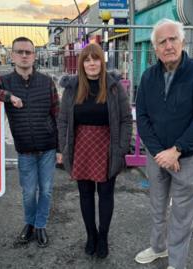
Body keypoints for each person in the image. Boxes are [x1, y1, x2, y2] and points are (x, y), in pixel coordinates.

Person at [134, 19, 193, 269]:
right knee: (157, 206)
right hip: (158, 156)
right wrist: (160, 153)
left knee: (182, 213)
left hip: (188, 157)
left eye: (173, 39)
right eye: (162, 41)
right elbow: (143, 116)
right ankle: (158, 248)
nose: (168, 45)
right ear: (155, 49)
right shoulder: (148, 77)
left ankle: (177, 263)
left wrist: (177, 150)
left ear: (182, 42)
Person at [0, 36, 59, 248]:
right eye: (20, 52)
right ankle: (29, 224)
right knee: (28, 192)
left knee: (45, 190)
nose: (25, 56)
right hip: (25, 150)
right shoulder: (4, 82)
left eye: (28, 52)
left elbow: (58, 115)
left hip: (47, 148)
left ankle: (40, 225)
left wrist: (61, 148)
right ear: (13, 56)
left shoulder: (47, 82)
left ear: (34, 56)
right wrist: (6, 96)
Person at [58, 43, 132, 258]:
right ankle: (90, 235)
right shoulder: (72, 88)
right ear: (82, 63)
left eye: (96, 59)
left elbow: (126, 120)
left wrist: (121, 148)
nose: (92, 63)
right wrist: (63, 147)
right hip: (80, 145)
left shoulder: (114, 87)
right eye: (87, 60)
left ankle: (103, 236)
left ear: (102, 61)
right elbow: (63, 120)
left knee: (106, 194)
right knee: (85, 195)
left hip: (108, 146)